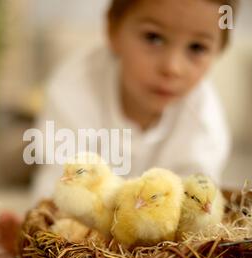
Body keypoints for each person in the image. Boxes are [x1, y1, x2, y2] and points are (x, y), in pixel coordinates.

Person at [31, 0, 237, 201]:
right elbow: (56, 193)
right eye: (153, 37)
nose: (172, 67)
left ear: (219, 51)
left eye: (197, 48)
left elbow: (196, 208)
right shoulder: (73, 90)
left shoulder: (204, 122)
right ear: (113, 30)